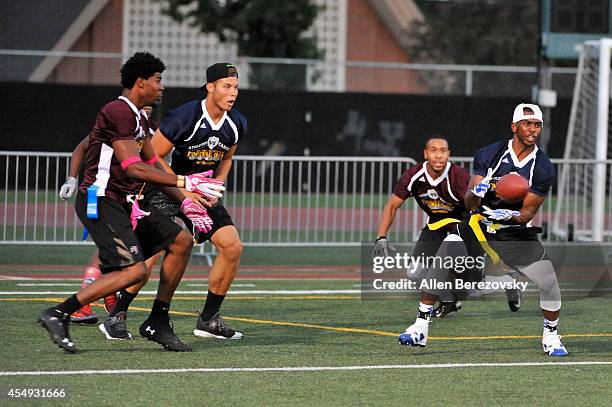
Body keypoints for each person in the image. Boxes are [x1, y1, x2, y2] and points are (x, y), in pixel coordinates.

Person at [38, 52, 221, 353]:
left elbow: (153, 161)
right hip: (101, 198)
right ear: (141, 82)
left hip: (125, 202)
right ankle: (60, 312)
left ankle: (157, 321)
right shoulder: (117, 111)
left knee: (181, 241)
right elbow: (134, 167)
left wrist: (186, 201)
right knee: (134, 271)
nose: (162, 87)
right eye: (158, 80)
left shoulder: (140, 115)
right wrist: (184, 182)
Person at [398, 103, 568, 357]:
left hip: (514, 232)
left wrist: (510, 214)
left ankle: (551, 335)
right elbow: (468, 202)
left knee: (548, 280)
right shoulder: (489, 154)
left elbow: (529, 212)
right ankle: (420, 326)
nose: (533, 129)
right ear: (514, 126)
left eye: (537, 125)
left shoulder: (543, 167)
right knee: (448, 249)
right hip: (480, 224)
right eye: (527, 123)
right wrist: (478, 191)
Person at [148, 62, 246, 340]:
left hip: (202, 192)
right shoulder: (185, 116)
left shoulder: (237, 122)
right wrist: (183, 188)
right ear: (210, 87)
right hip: (170, 189)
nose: (233, 92)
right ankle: (117, 315)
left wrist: (216, 186)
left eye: (236, 87)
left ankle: (208, 320)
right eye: (227, 86)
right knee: (151, 253)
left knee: (232, 246)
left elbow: (226, 158)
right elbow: (152, 157)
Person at [60, 106, 158, 325]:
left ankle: (108, 293)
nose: (147, 107)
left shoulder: (148, 128)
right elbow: (82, 147)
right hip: (101, 194)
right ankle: (84, 303)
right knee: (112, 245)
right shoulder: (117, 122)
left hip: (128, 198)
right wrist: (72, 178)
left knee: (125, 248)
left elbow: (153, 161)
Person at [373, 138, 473, 317]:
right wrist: (381, 237)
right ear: (425, 154)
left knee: (467, 275)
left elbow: (478, 208)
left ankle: (506, 282)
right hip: (436, 225)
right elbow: (392, 206)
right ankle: (449, 299)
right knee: (415, 273)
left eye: (443, 151)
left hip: (463, 226)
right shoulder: (414, 176)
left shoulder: (460, 177)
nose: (438, 155)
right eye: (433, 150)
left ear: (449, 154)